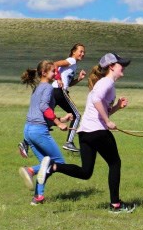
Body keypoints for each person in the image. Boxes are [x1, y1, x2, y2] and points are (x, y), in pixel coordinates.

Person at [45, 53, 135, 213]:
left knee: (86, 172)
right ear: (111, 67)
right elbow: (96, 100)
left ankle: (54, 167)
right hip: (98, 131)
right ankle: (116, 205)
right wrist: (107, 122)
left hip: (85, 133)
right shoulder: (106, 83)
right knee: (115, 163)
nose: (124, 67)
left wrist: (117, 108)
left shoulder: (105, 84)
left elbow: (100, 108)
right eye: (121, 64)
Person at [18, 60, 74, 205]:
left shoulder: (37, 88)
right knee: (58, 162)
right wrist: (58, 123)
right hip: (38, 131)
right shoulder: (48, 88)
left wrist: (62, 118)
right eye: (53, 71)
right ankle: (30, 170)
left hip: (28, 130)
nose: (56, 73)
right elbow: (44, 107)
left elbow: (41, 113)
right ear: (44, 73)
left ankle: (38, 197)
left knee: (45, 163)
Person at [17, 43, 87, 156]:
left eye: (84, 52)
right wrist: (58, 79)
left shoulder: (73, 65)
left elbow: (68, 83)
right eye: (81, 51)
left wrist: (79, 79)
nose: (83, 54)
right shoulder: (71, 61)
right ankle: (69, 142)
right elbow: (54, 65)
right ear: (73, 51)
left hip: (56, 91)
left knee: (44, 118)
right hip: (59, 91)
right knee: (77, 115)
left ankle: (25, 143)